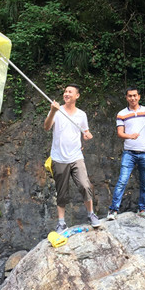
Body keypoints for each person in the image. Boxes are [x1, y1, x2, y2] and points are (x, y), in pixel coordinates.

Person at [107, 87, 145, 222]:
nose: (133, 98)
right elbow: (120, 133)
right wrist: (130, 136)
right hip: (129, 153)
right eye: (130, 96)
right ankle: (113, 210)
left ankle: (142, 210)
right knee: (122, 181)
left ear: (139, 97)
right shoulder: (122, 114)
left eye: (135, 95)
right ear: (126, 98)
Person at [44, 84, 100, 233]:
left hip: (76, 157)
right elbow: (46, 127)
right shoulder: (56, 111)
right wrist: (52, 111)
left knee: (85, 185)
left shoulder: (81, 114)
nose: (67, 94)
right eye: (65, 91)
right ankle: (61, 223)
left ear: (77, 96)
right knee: (61, 191)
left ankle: (91, 214)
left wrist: (87, 135)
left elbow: (85, 131)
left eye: (70, 92)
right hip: (59, 158)